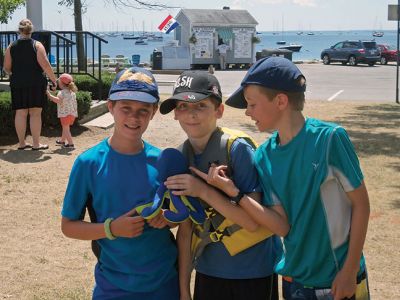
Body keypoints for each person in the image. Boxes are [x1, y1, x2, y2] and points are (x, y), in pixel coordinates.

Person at [211, 56, 369, 300]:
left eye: (252, 104)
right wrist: (235, 193)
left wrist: (348, 271)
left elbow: (361, 205)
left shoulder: (329, 140)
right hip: (294, 283)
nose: (247, 112)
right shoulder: (264, 155)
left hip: (338, 282)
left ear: (281, 101)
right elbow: (281, 225)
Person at [160, 71, 282, 300]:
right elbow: (185, 233)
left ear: (219, 110)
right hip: (209, 270)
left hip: (254, 271)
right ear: (175, 113)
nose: (191, 114)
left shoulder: (237, 149)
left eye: (201, 105)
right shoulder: (180, 156)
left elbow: (251, 223)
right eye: (182, 107)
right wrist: (184, 290)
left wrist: (203, 190)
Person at [61, 67, 179, 299]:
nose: (134, 117)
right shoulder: (89, 163)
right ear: (110, 107)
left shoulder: (162, 161)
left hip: (165, 283)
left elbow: (178, 215)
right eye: (126, 108)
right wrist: (111, 228)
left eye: (143, 110)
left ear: (154, 112)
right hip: (113, 286)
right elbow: (68, 226)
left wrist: (166, 217)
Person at [3, 18, 57, 150]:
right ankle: (36, 144)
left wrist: (15, 73)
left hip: (18, 83)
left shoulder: (11, 46)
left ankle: (21, 143)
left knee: (20, 113)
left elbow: (6, 68)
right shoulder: (37, 45)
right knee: (35, 113)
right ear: (31, 30)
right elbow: (45, 65)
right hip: (36, 83)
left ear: (19, 30)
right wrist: (54, 80)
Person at [46, 73, 78, 148]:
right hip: (72, 113)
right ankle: (62, 141)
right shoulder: (72, 92)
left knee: (66, 129)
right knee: (66, 128)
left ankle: (70, 144)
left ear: (61, 83)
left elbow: (58, 100)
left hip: (64, 114)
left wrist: (49, 95)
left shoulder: (62, 93)